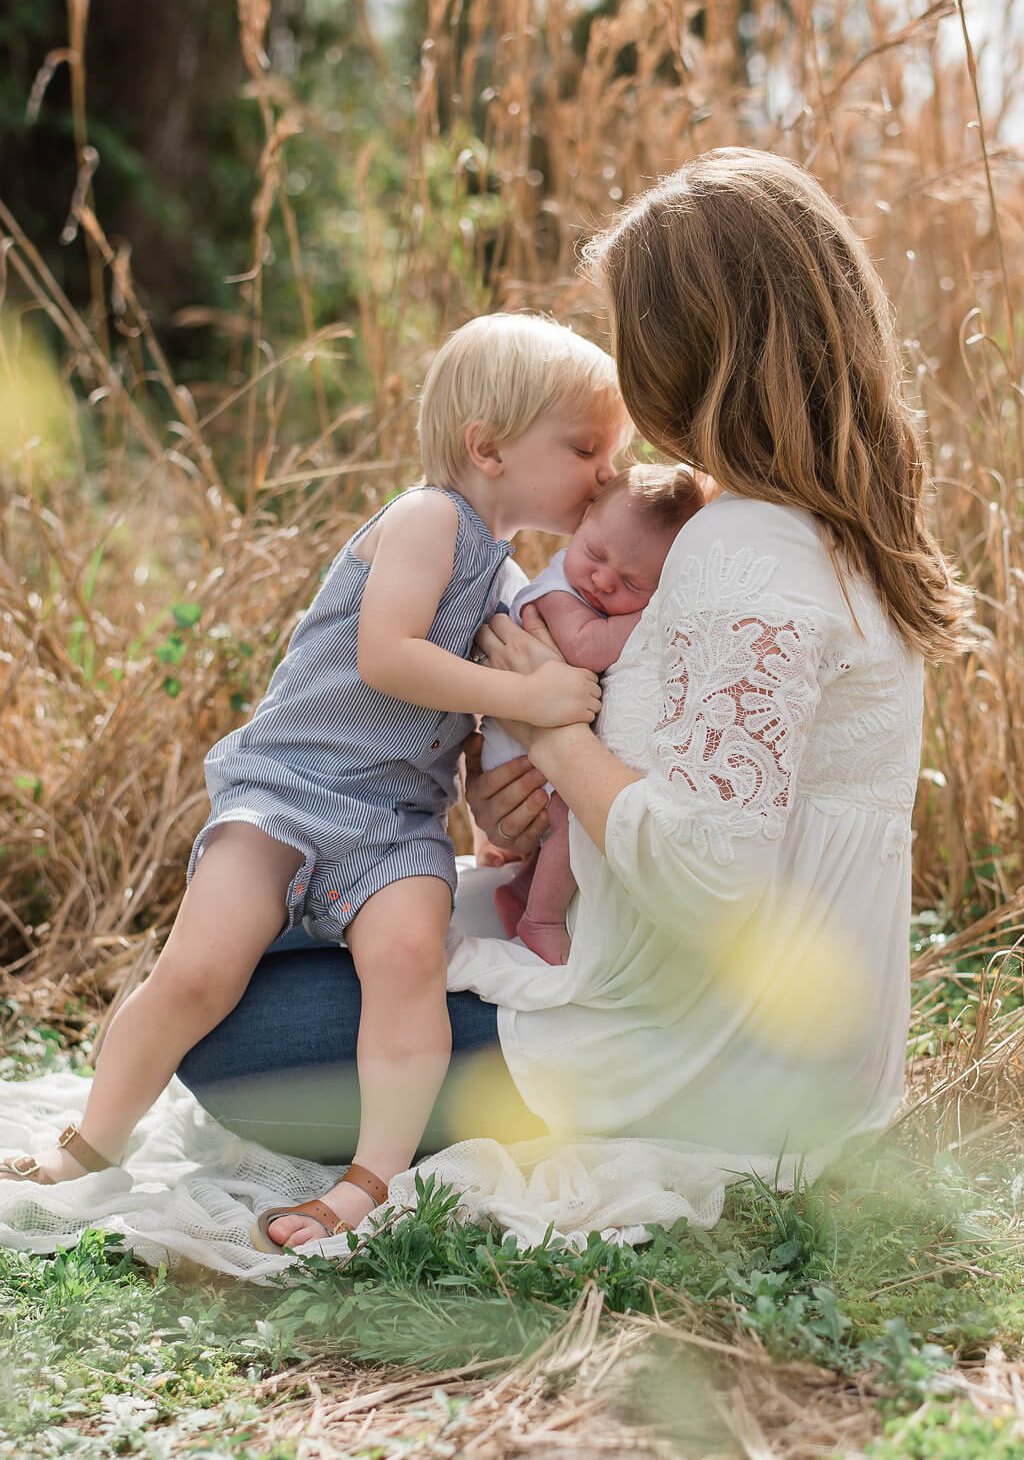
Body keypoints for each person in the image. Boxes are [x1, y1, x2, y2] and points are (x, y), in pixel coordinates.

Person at [35, 148, 969, 1246]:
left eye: (635, 332)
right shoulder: (800, 526)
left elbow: (715, 875)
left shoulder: (747, 550)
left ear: (694, 346)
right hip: (722, 1007)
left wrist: (544, 727)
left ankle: (365, 1143)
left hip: (699, 1043)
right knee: (261, 938)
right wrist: (517, 793)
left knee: (233, 1036)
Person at [0, 312, 630, 1252]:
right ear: (487, 447)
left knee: (409, 962)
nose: (606, 475)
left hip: (396, 825)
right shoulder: (427, 520)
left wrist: (491, 799)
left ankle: (370, 1175)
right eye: (586, 448)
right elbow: (389, 660)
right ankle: (91, 1141)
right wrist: (534, 691)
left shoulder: (504, 581)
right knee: (202, 969)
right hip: (291, 789)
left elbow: (452, 723)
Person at [481, 464, 705, 964]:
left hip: (539, 739)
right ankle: (540, 919)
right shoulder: (556, 589)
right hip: (516, 748)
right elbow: (584, 648)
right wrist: (655, 613)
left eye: (632, 581)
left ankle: (521, 891)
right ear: (583, 522)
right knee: (571, 818)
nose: (602, 580)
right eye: (595, 554)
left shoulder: (588, 579)